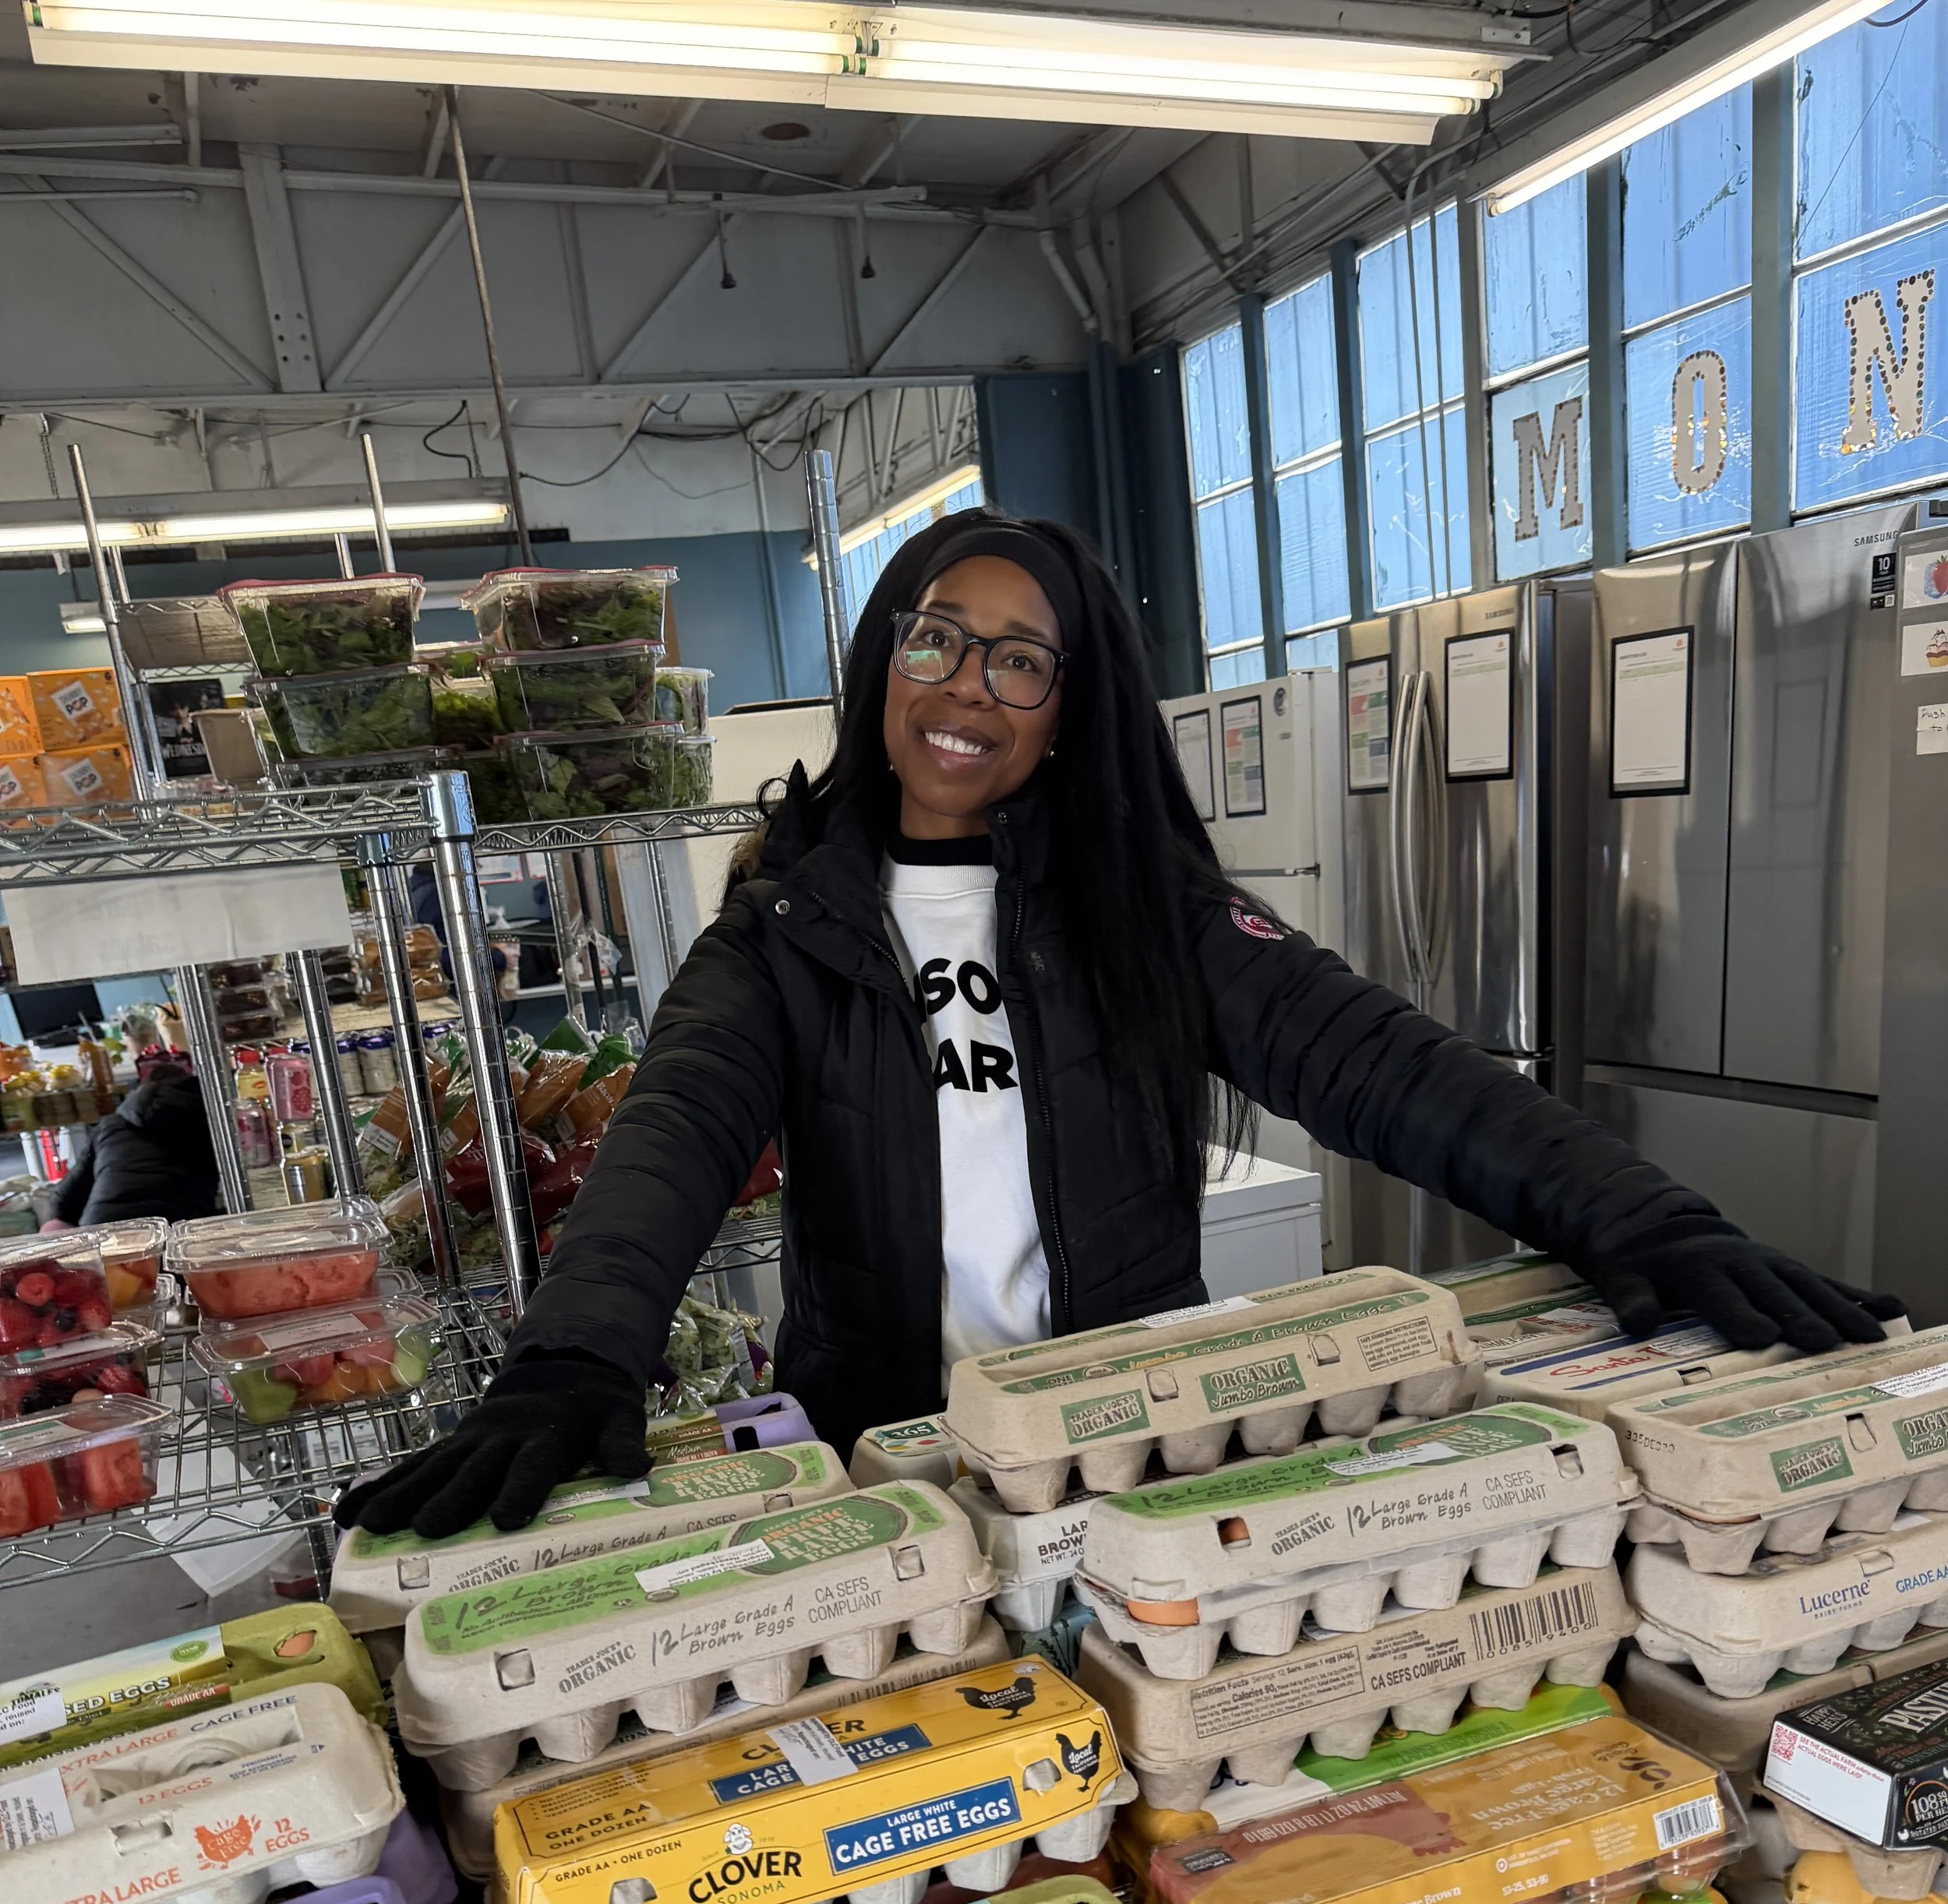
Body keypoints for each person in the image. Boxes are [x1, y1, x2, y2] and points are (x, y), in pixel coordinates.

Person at [338, 509, 1897, 1541]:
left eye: (1021, 660)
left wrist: (1636, 1212)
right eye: (935, 636)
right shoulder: (786, 925)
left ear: (1068, 709)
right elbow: (669, 1135)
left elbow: (1373, 1061)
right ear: (884, 653)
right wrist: (572, 1355)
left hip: (1144, 1455)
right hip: (901, 1474)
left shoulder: (1132, 905)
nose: (967, 683)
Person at [48, 1052, 221, 1229]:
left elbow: (64, 1205)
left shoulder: (111, 1125)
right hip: (176, 1229)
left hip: (103, 1231)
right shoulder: (210, 1121)